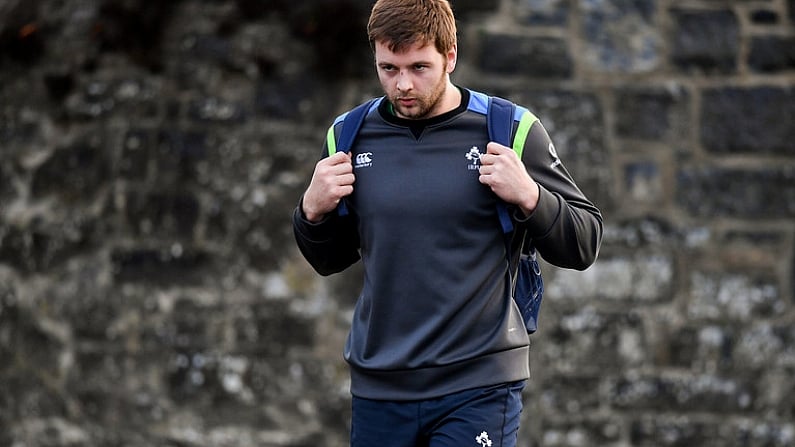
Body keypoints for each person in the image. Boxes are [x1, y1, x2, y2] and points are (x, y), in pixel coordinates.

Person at [292, 0, 603, 445]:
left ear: (450, 55)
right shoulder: (348, 135)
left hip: (477, 385)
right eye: (388, 68)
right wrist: (311, 211)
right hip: (380, 388)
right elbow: (329, 259)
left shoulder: (509, 129)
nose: (402, 85)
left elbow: (584, 242)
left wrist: (532, 197)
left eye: (419, 67)